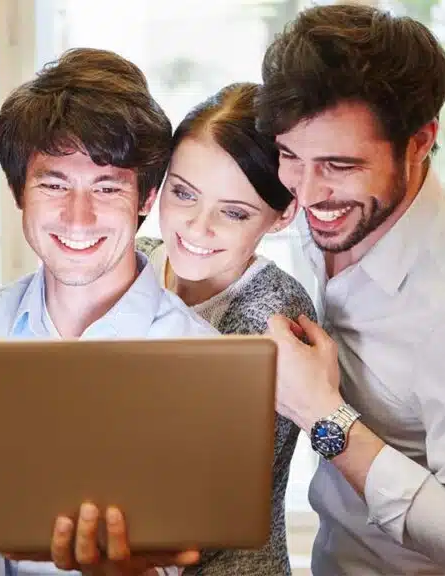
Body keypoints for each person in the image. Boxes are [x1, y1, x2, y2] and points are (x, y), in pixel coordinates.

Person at [0, 47, 217, 576]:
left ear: (145, 198)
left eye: (107, 186)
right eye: (54, 184)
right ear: (18, 192)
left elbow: (174, 559)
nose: (79, 217)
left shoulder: (200, 361)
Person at [257, 5, 445, 575]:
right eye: (290, 155)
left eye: (338, 164)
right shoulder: (337, 215)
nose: (307, 192)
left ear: (419, 142)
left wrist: (323, 414)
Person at [135, 82, 314, 575]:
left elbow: (210, 497)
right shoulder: (137, 263)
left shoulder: (274, 317)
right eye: (183, 193)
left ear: (283, 215)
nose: (196, 227)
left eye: (233, 212)